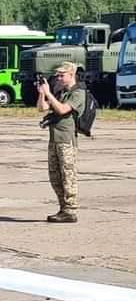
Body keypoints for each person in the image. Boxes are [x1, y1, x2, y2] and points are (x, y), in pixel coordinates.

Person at [37, 61, 85, 223]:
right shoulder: (60, 92)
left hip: (66, 141)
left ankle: (70, 210)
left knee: (68, 176)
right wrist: (42, 93)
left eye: (62, 75)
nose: (58, 78)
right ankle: (63, 208)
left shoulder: (78, 93)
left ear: (71, 75)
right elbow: (42, 108)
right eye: (57, 75)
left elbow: (63, 109)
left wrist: (49, 94)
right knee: (55, 176)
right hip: (54, 139)